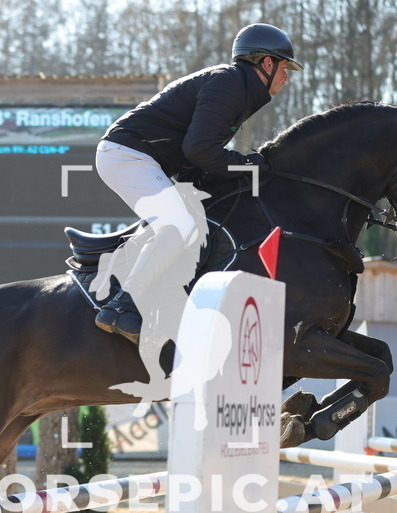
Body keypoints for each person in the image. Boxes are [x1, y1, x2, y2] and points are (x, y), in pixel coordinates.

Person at [93, 23, 302, 344]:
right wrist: (249, 166)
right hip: (127, 155)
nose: (287, 77)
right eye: (285, 67)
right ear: (267, 63)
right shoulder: (230, 84)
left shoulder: (237, 86)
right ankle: (122, 306)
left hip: (143, 156)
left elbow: (195, 152)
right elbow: (199, 149)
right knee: (178, 224)